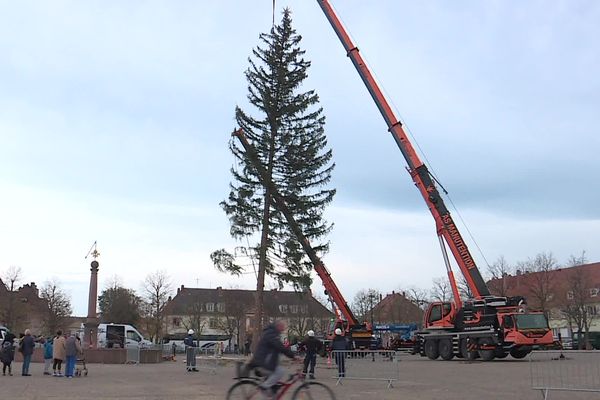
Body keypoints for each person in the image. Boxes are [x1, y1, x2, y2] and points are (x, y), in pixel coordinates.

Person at [249, 320, 296, 398]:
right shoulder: (271, 334)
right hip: (263, 363)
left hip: (265, 362)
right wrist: (293, 356)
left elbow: (278, 349)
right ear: (278, 326)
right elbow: (280, 346)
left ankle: (267, 387)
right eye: (282, 327)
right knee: (280, 371)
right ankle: (264, 386)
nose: (283, 329)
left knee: (272, 393)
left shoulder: (272, 333)